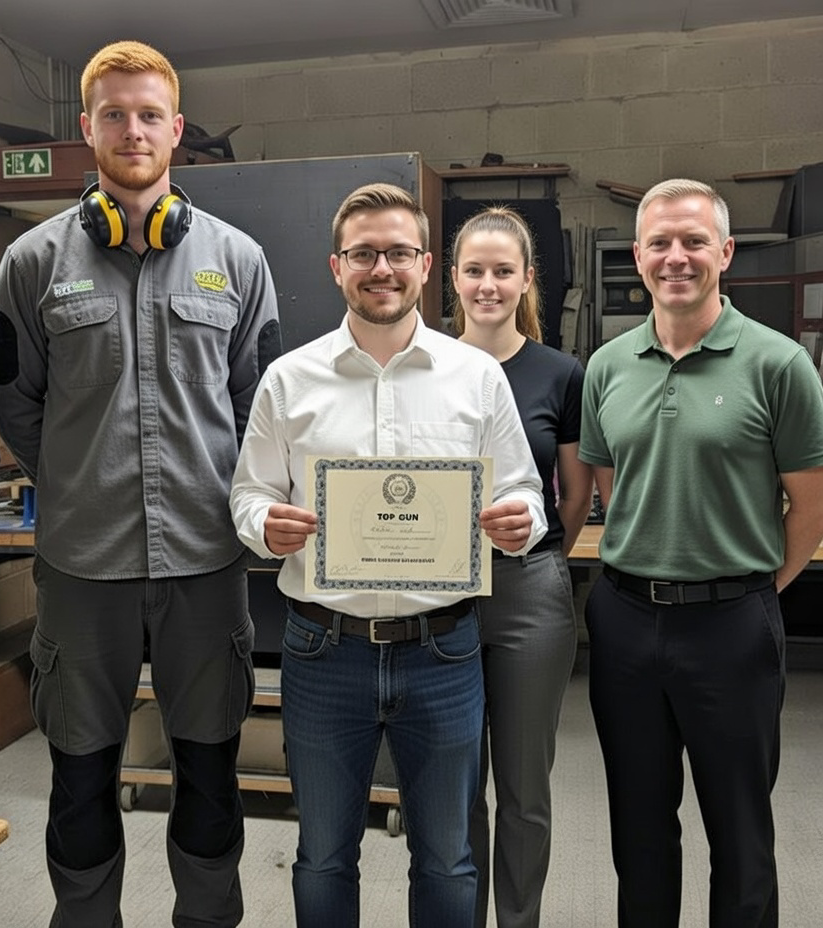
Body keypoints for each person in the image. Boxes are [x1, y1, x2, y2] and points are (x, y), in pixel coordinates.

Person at [0, 40, 281, 928]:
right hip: (82, 571)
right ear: (86, 129)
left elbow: (255, 411)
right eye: (113, 113)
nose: (132, 129)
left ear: (176, 128)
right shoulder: (34, 263)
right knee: (78, 776)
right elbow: (18, 409)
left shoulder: (238, 259)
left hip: (203, 563)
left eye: (149, 113)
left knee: (207, 771)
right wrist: (83, 482)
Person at [230, 182, 547, 928]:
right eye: (364, 254)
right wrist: (262, 525)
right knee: (323, 856)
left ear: (426, 265)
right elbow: (247, 496)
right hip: (321, 648)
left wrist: (517, 522)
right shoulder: (290, 379)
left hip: (442, 650)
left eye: (398, 253)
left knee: (446, 857)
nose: (382, 268)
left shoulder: (476, 377)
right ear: (336, 266)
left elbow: (528, 493)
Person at [579, 178, 823, 928]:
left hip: (732, 626)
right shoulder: (607, 366)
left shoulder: (780, 365)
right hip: (622, 621)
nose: (675, 257)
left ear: (725, 251)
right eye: (660, 242)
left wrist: (748, 593)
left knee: (741, 832)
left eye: (692, 241)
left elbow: (809, 508)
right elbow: (616, 492)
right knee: (640, 833)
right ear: (639, 254)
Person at [451, 206, 592, 928]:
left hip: (529, 595)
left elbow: (573, 494)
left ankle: (521, 920)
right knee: (456, 785)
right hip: (438, 598)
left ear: (527, 280)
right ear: (451, 278)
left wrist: (533, 560)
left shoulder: (559, 373)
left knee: (524, 787)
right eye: (474, 270)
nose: (488, 284)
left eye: (503, 271)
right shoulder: (428, 364)